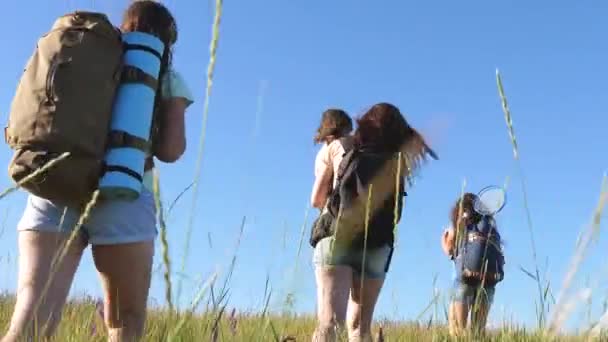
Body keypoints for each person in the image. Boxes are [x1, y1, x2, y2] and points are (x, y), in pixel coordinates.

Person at [1, 2, 194, 341]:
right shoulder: (164, 76)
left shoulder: (90, 54)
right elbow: (171, 150)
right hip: (122, 195)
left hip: (56, 184)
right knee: (124, 322)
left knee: (30, 319)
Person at [310, 103, 437, 342]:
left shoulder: (340, 146)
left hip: (338, 235)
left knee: (329, 324)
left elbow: (316, 199)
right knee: (360, 329)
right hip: (377, 245)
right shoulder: (398, 162)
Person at [441, 193, 503, 337]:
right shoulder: (489, 224)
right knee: (478, 331)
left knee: (458, 331)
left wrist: (445, 243)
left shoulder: (461, 221)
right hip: (488, 279)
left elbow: (449, 249)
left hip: (464, 278)